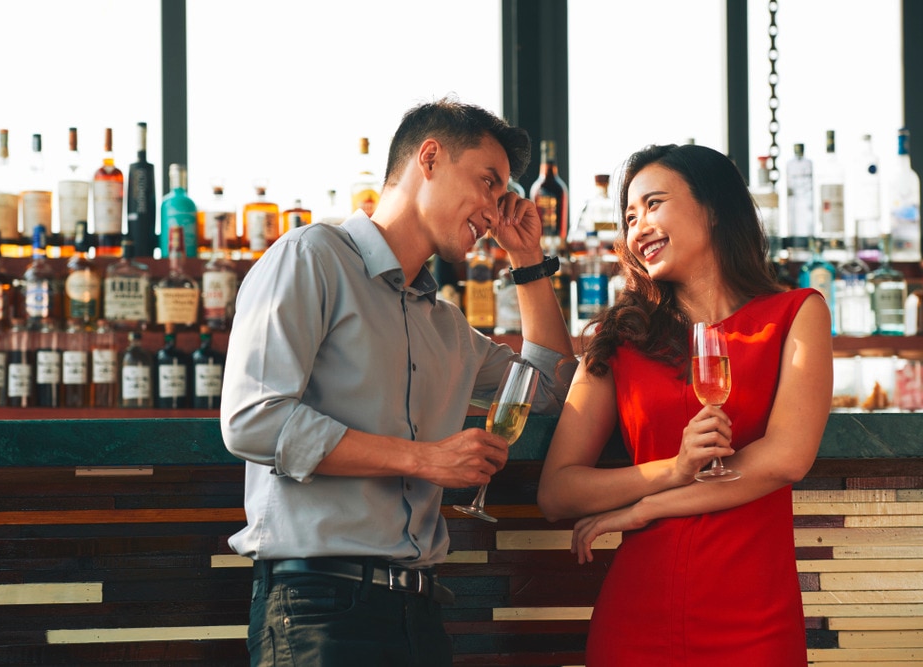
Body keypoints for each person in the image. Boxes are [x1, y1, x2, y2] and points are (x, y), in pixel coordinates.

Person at [220, 97, 576, 667]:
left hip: (420, 615)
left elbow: (550, 389)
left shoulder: (448, 327)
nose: (495, 208)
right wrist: (423, 459)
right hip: (317, 610)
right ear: (429, 158)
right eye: (488, 182)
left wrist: (528, 260)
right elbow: (253, 420)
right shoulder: (312, 258)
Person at [537, 143, 832, 666]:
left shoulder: (796, 313)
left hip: (755, 619)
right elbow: (558, 492)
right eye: (630, 216)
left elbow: (786, 458)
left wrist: (646, 508)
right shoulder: (618, 338)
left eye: (653, 204)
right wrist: (672, 470)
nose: (638, 227)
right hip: (638, 615)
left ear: (714, 208)